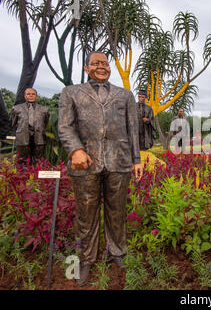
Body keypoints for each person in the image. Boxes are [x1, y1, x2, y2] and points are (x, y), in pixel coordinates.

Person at [58, 51, 142, 286]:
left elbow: (132, 129)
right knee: (86, 213)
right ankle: (86, 258)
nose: (102, 66)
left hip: (120, 161)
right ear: (87, 69)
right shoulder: (71, 93)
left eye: (105, 63)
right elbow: (65, 126)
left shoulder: (125, 95)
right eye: (96, 63)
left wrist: (136, 159)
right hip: (85, 163)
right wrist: (75, 150)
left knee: (117, 210)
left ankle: (117, 252)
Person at [11, 88, 49, 164]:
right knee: (22, 160)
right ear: (25, 96)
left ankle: (36, 173)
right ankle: (22, 174)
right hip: (23, 136)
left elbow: (45, 122)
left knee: (38, 160)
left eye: (33, 94)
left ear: (36, 96)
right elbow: (14, 123)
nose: (31, 96)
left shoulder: (44, 109)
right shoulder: (16, 108)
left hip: (39, 136)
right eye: (28, 94)